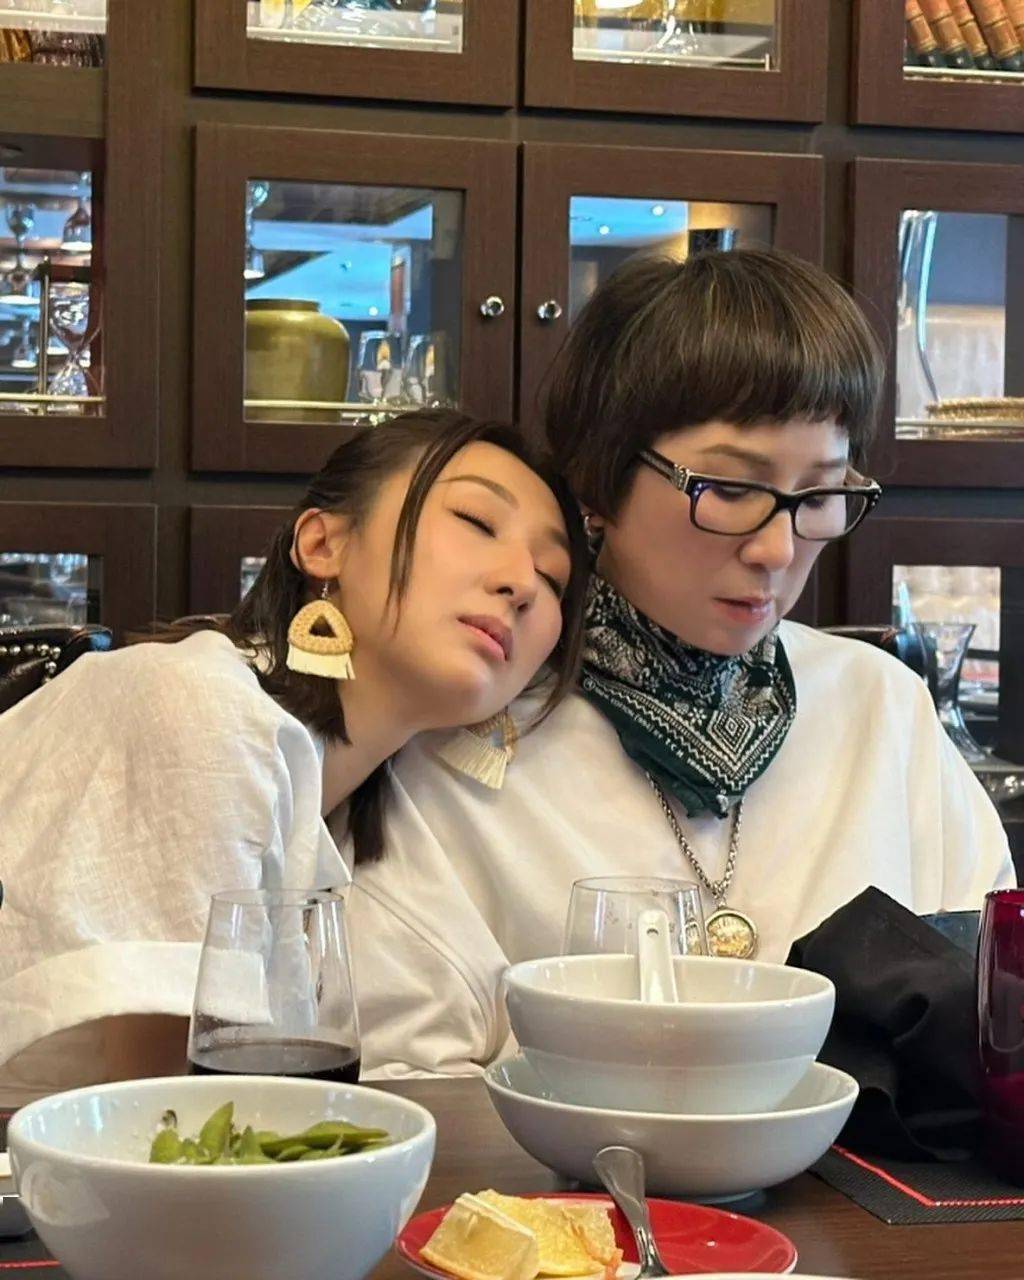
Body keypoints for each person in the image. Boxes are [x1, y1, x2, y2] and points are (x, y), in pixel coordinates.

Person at [345, 249, 1015, 1078]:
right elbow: (403, 1086)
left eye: (818, 497)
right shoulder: (462, 727)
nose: (777, 550)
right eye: (729, 489)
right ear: (599, 483)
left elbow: (992, 1020)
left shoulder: (881, 707)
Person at [0, 408, 588, 1102]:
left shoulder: (354, 803)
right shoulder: (197, 703)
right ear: (323, 544)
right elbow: (161, 1124)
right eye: (476, 522)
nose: (522, 582)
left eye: (553, 577)